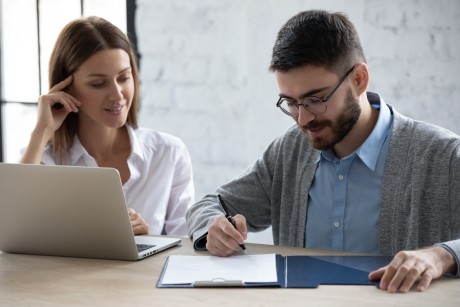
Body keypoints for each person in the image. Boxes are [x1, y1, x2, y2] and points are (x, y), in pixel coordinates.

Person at [186, 10, 460, 293]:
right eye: (291, 102)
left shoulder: (443, 157)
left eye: (315, 99)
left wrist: (442, 256)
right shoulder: (289, 152)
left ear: (359, 79)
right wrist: (213, 227)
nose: (303, 119)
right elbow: (207, 205)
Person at [21, 16, 195, 236]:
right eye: (98, 83)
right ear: (68, 88)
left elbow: (186, 249)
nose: (117, 95)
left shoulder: (168, 153)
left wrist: (149, 242)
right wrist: (41, 132)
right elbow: (14, 237)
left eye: (124, 78)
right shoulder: (44, 160)